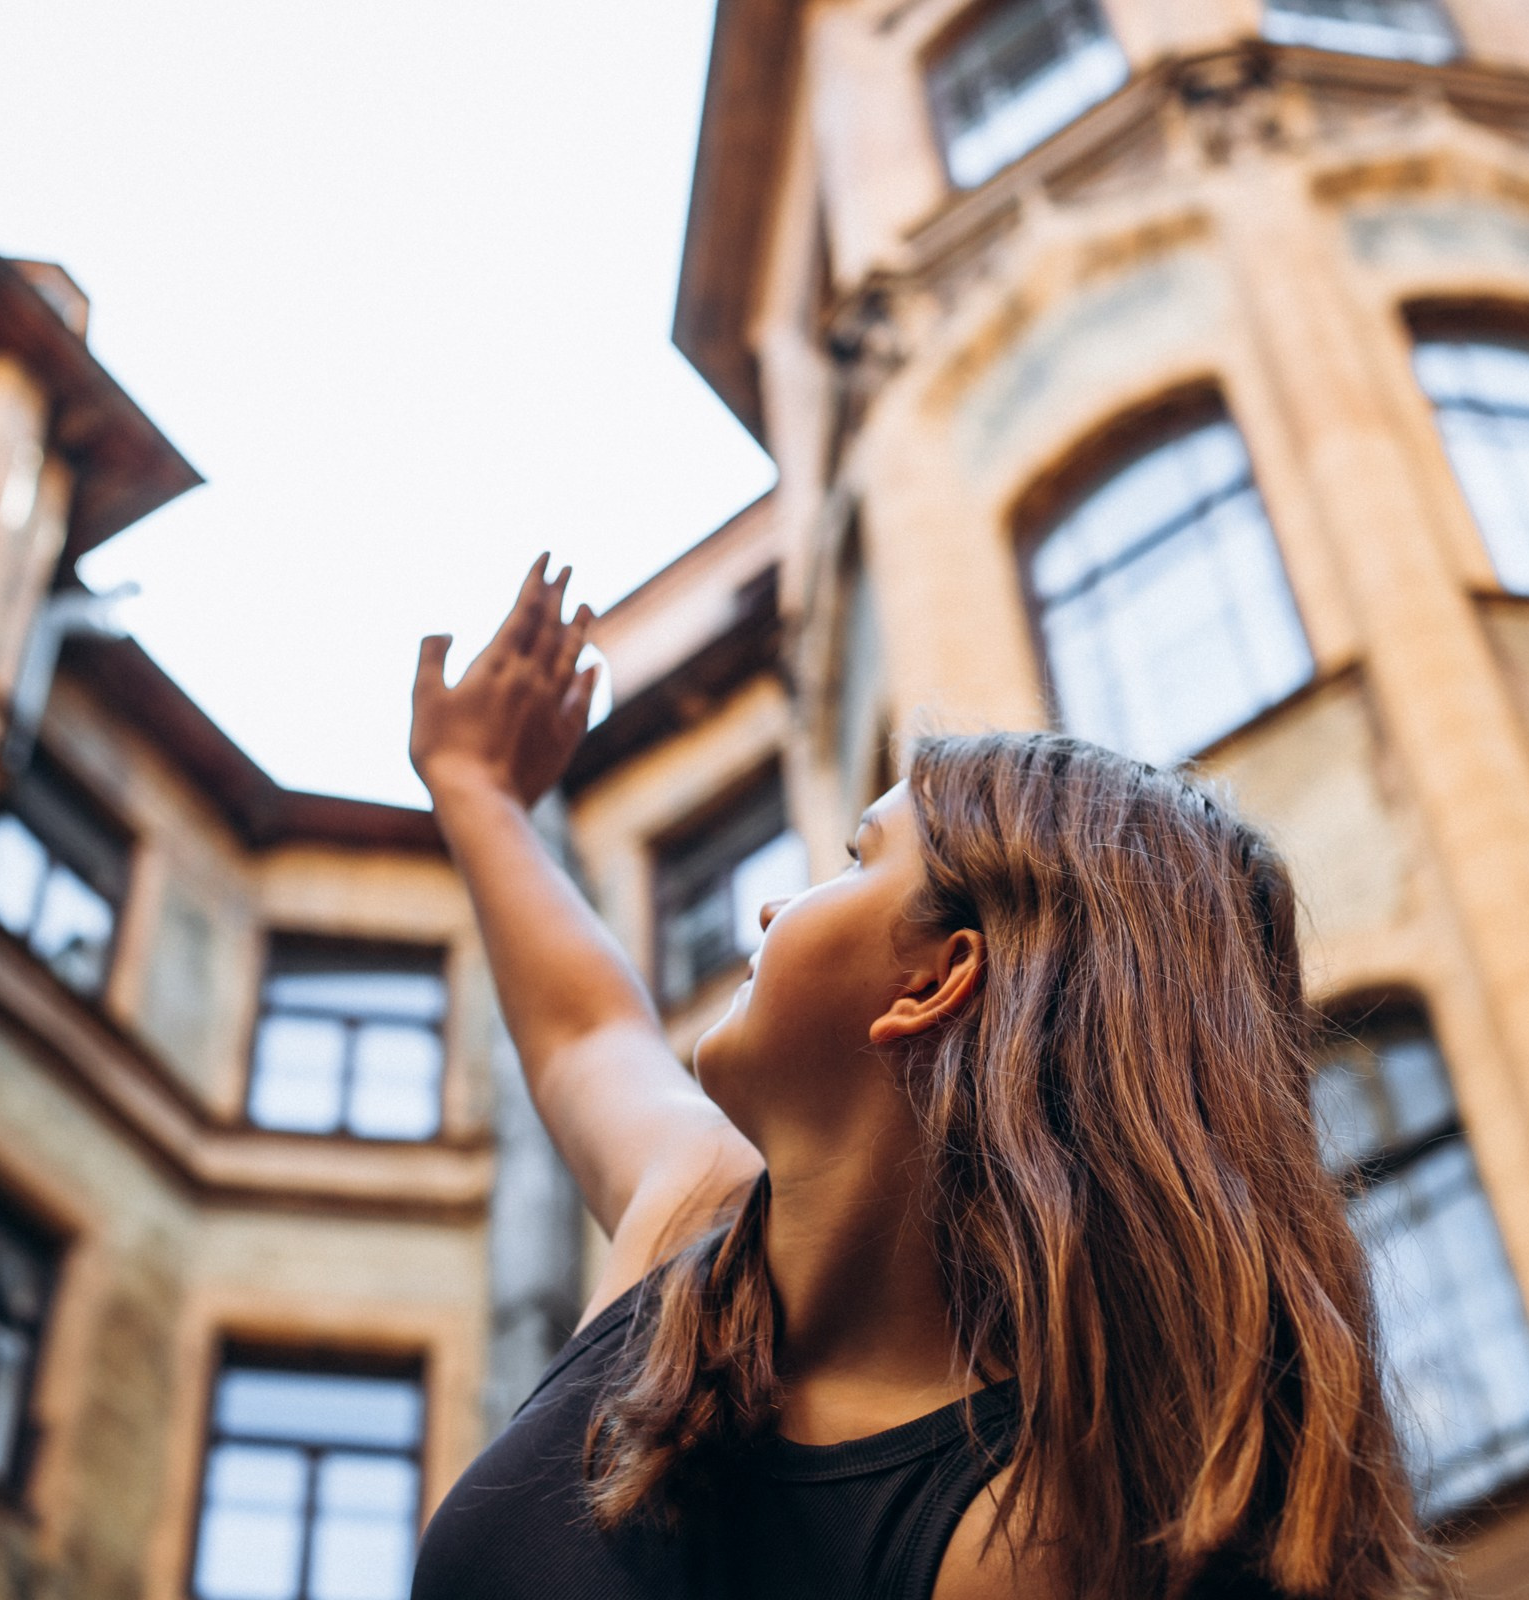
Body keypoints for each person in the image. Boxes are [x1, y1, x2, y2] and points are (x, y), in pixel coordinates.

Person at [405, 558, 1436, 1599]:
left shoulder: (1021, 1540)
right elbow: (588, 1032)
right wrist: (475, 784)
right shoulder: (689, 1219)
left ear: (938, 977)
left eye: (855, 858)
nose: (769, 910)